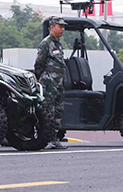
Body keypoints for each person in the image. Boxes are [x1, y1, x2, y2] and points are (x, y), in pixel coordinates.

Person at [34, 16, 68, 150]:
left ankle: (55, 139)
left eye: (63, 27)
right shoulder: (46, 43)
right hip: (49, 83)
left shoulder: (58, 44)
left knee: (58, 111)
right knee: (48, 111)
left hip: (58, 83)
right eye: (60, 26)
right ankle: (47, 138)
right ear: (52, 27)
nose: (62, 29)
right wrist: (43, 79)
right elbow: (39, 64)